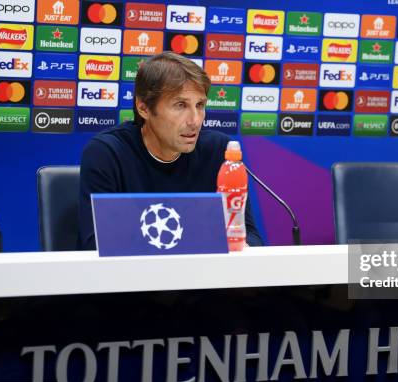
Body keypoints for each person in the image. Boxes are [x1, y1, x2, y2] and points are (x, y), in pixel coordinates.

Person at [78, 52, 263, 250]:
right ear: (144, 108)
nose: (195, 120)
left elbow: (248, 235)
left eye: (199, 105)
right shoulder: (108, 153)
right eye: (180, 105)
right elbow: (96, 245)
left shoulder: (218, 152)